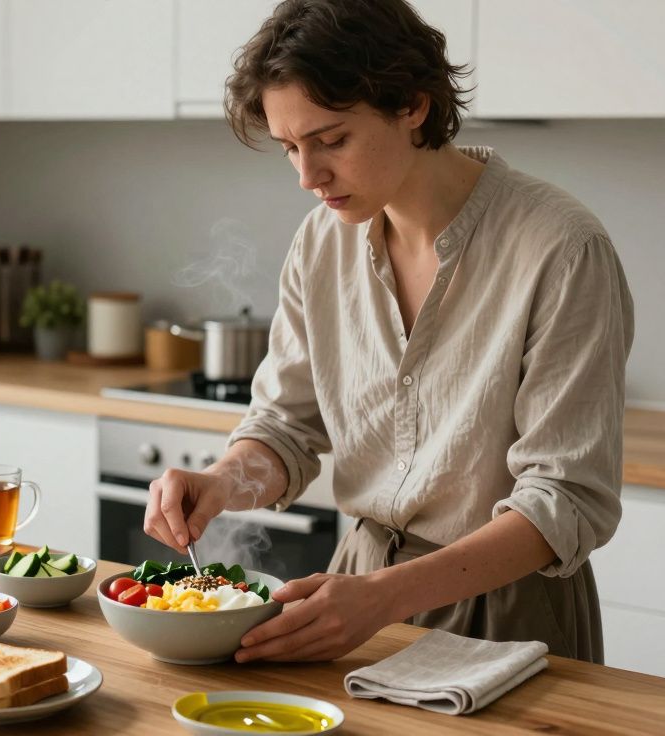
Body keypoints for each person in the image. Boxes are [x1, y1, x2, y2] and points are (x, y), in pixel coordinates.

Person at [143, 0, 634, 665]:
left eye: (331, 140)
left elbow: (564, 501)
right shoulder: (322, 243)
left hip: (511, 617)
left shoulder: (560, 247)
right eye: (290, 147)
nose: (306, 176)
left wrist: (382, 597)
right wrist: (225, 479)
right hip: (359, 601)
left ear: (412, 105)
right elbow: (286, 427)